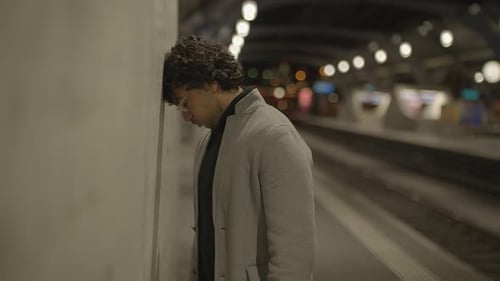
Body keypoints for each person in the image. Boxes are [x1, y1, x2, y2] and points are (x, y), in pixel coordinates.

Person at [162, 35, 316, 281]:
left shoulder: (275, 136)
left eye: (184, 103)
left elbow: (294, 255)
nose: (186, 116)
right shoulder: (209, 140)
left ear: (211, 83)